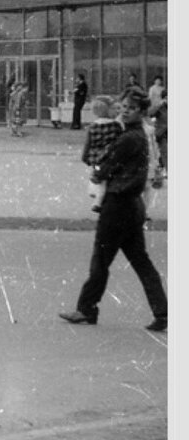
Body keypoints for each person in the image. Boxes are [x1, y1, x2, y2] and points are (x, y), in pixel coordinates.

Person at [59, 92, 167, 332]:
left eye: (132, 108)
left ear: (141, 111)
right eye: (124, 107)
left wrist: (98, 170)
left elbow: (104, 166)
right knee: (141, 261)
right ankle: (163, 312)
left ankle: (86, 309)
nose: (125, 111)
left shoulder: (128, 138)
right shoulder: (137, 134)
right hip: (133, 205)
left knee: (101, 259)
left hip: (117, 205)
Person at [81, 96, 122, 213]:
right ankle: (98, 201)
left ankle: (96, 195)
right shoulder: (116, 126)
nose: (117, 111)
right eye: (114, 108)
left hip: (96, 158)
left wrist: (85, 157)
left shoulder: (92, 126)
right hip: (111, 158)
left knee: (99, 177)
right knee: (107, 179)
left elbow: (88, 144)